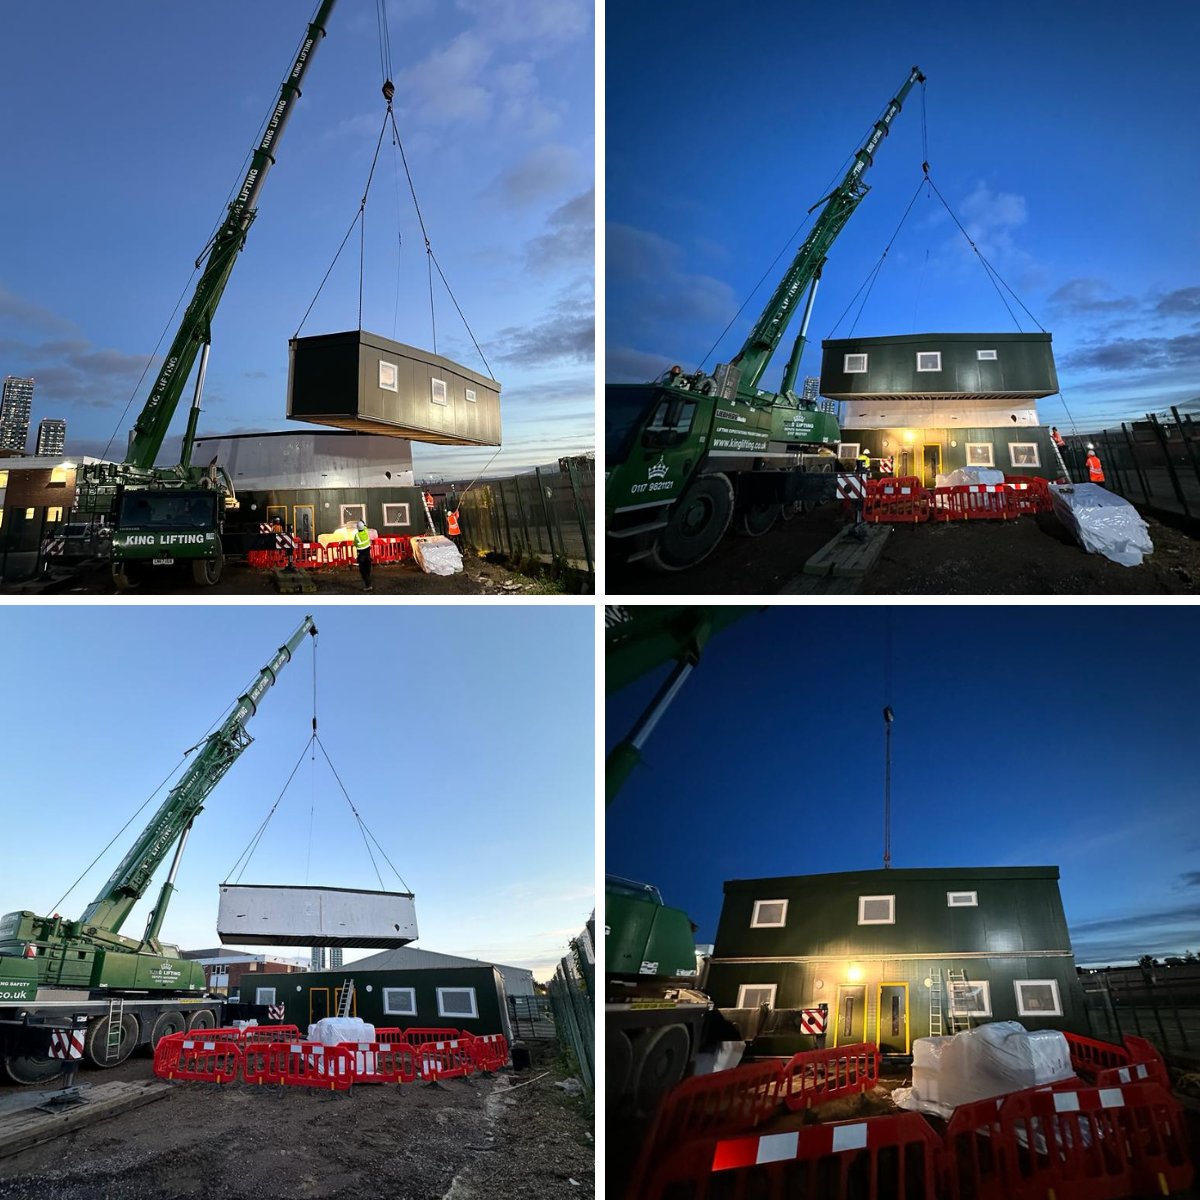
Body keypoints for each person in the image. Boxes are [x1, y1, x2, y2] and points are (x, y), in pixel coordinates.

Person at [353, 519, 373, 591]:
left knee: (363, 571)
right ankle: (369, 583)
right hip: (367, 554)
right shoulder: (366, 532)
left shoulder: (357, 536)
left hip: (361, 555)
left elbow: (355, 544)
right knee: (368, 569)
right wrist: (363, 522)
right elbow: (365, 527)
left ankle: (368, 586)